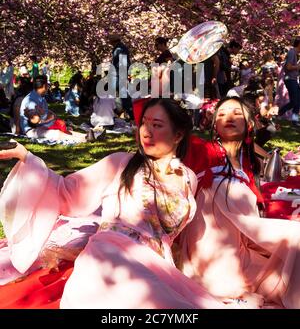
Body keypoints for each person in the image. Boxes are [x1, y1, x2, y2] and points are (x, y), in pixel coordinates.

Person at [0, 99, 224, 309]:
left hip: (157, 264)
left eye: (157, 125)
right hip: (108, 257)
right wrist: (27, 158)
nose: (146, 132)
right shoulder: (121, 163)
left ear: (178, 135)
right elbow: (66, 192)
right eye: (144, 124)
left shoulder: (188, 178)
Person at [179, 96, 300, 309]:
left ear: (249, 123)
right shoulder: (201, 149)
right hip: (209, 247)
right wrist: (157, 87)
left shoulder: (245, 162)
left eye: (236, 113)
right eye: (222, 114)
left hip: (244, 243)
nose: (229, 117)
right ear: (214, 124)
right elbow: (162, 131)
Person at [278, 38, 300, 126]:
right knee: (296, 101)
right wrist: (298, 66)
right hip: (290, 79)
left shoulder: (295, 53)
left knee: (296, 100)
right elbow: (288, 67)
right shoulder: (292, 52)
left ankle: (292, 119)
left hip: (293, 79)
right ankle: (293, 120)